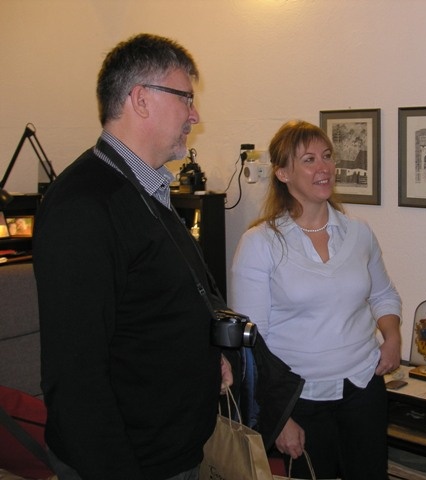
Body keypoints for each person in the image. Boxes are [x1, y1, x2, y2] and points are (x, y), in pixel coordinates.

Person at [33, 33, 232, 480]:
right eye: (186, 98)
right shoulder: (83, 206)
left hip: (173, 448)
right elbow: (75, 376)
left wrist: (206, 353)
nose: (195, 114)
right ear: (141, 99)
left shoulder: (146, 187)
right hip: (132, 462)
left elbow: (158, 302)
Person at [229, 120, 402, 479]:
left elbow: (383, 294)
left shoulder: (359, 233)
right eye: (309, 160)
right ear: (282, 173)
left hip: (363, 389)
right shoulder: (261, 243)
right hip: (299, 401)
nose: (324, 168)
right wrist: (280, 418)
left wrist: (393, 337)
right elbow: (252, 346)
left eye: (327, 156)